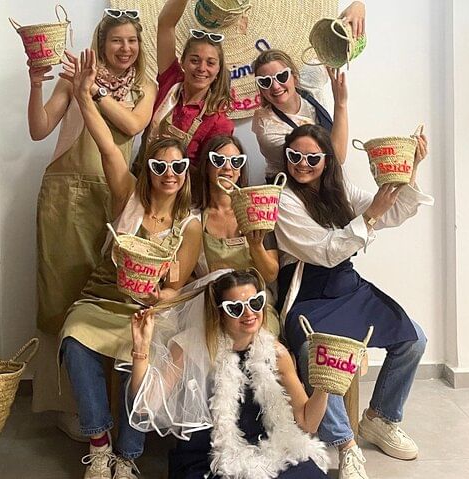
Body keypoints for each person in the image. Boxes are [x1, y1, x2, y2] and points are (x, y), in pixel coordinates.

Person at [59, 50, 202, 479]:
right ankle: (99, 442)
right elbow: (107, 145)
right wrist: (85, 96)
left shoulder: (188, 226)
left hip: (149, 309)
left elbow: (177, 289)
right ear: (149, 168)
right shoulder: (128, 196)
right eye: (160, 165)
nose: (170, 173)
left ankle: (128, 455)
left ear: (186, 169)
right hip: (103, 298)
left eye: (178, 165)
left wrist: (158, 292)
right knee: (73, 339)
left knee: (138, 350)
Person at [274, 124, 433, 479]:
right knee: (318, 358)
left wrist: (411, 168)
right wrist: (370, 214)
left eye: (312, 157)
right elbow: (324, 251)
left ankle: (380, 417)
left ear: (326, 160)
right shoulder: (283, 198)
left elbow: (392, 212)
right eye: (294, 156)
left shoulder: (339, 188)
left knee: (413, 340)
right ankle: (346, 444)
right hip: (308, 295)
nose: (302, 164)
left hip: (348, 286)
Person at [26, 8, 157, 432]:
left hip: (119, 197)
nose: (125, 48)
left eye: (132, 41)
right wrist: (36, 80)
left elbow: (133, 123)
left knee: (108, 298)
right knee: (62, 293)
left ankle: (105, 405)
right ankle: (68, 406)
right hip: (67, 194)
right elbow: (39, 128)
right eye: (116, 40)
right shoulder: (74, 77)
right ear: (102, 43)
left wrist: (93, 92)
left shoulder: (144, 87)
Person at [127, 270, 332, 478]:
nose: (249, 314)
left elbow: (308, 422)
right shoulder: (190, 347)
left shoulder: (276, 353)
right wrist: (141, 350)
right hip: (208, 459)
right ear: (219, 313)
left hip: (269, 450)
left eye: (255, 303)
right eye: (235, 308)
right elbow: (145, 407)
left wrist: (324, 387)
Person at [251, 1, 366, 180]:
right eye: (265, 82)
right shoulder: (267, 127)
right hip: (289, 192)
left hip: (325, 184)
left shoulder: (308, 85)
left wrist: (357, 7)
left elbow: (330, 38)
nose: (275, 86)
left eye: (281, 77)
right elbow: (336, 156)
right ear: (260, 88)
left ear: (294, 76)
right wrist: (340, 104)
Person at [134, 0, 234, 180]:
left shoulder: (219, 122)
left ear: (219, 70)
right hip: (139, 177)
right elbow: (166, 24)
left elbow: (210, 174)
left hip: (179, 194)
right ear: (183, 62)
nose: (202, 68)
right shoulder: (170, 80)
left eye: (210, 63)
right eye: (195, 60)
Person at [194, 134, 281, 333]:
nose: (227, 168)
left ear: (241, 169)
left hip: (256, 306)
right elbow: (187, 276)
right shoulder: (194, 219)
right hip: (212, 306)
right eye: (219, 160)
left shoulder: (257, 210)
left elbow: (270, 274)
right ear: (207, 166)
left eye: (235, 161)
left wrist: (256, 246)